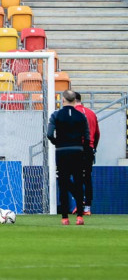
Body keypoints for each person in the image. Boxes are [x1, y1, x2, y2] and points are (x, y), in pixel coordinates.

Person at [47, 89, 89, 225]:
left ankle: (65, 218)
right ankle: (80, 217)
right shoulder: (81, 116)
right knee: (78, 181)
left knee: (63, 184)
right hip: (77, 151)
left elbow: (49, 134)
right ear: (75, 100)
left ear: (63, 100)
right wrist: (83, 149)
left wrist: (57, 142)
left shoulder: (56, 115)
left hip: (62, 152)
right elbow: (87, 137)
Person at [74, 91, 100, 215]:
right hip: (89, 149)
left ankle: (79, 205)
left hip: (76, 148)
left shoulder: (72, 114)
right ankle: (87, 207)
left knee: (75, 177)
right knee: (87, 178)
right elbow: (97, 134)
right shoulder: (91, 113)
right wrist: (93, 147)